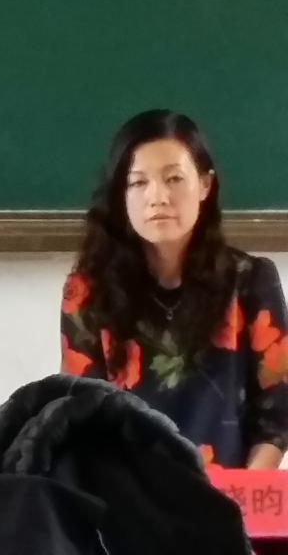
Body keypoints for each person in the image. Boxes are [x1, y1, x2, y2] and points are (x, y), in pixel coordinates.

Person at [61, 109, 288, 468]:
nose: (158, 197)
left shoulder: (250, 281)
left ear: (205, 185)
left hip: (230, 493)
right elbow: (81, 415)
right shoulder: (87, 291)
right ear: (121, 194)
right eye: (138, 183)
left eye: (174, 178)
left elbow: (278, 414)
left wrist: (242, 493)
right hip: (127, 492)